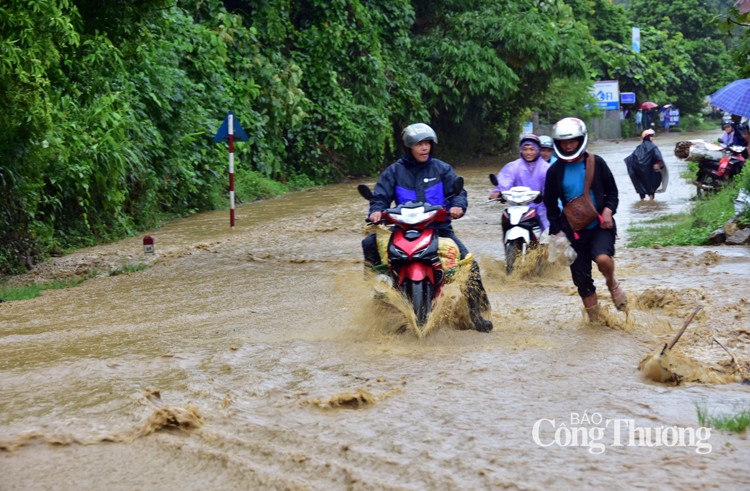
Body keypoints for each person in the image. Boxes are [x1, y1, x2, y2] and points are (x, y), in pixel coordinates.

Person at [362, 123, 493, 332]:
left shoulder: (442, 169)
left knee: (470, 265)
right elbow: (380, 197)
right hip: (402, 230)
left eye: (427, 144)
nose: (424, 148)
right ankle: (380, 289)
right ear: (408, 147)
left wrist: (458, 205)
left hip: (439, 229)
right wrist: (376, 211)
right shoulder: (394, 172)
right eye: (419, 144)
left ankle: (476, 314)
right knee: (369, 242)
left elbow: (458, 193)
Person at [543, 117, 626, 321]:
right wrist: (557, 232)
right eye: (564, 142)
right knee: (581, 279)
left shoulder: (596, 163)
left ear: (581, 140)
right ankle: (595, 322)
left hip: (600, 225)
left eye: (572, 141)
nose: (569, 146)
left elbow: (612, 193)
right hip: (572, 231)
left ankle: (611, 282)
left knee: (602, 258)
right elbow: (550, 204)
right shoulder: (554, 171)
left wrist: (608, 211)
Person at [489, 134, 550, 232]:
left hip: (540, 207)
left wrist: (544, 197)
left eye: (532, 149)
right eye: (525, 149)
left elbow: (550, 189)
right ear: (521, 150)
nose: (528, 152)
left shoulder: (546, 168)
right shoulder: (513, 166)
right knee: (506, 219)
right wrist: (498, 193)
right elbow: (505, 182)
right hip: (518, 207)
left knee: (548, 228)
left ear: (538, 150)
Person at [624, 129, 665, 200]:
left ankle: (642, 201)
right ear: (647, 137)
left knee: (641, 186)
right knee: (651, 187)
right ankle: (651, 201)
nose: (653, 137)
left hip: (638, 171)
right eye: (651, 136)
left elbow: (631, 159)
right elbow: (659, 157)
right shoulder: (653, 146)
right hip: (648, 171)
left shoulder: (639, 147)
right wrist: (658, 164)